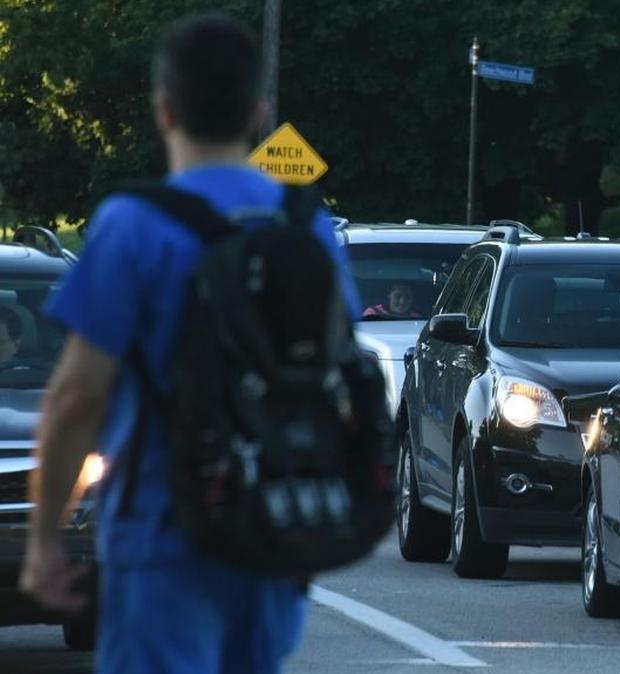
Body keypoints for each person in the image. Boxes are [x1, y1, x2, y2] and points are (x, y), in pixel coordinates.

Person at [19, 14, 358, 674]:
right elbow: (335, 361)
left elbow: (76, 396)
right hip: (272, 523)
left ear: (164, 108)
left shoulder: (133, 225)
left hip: (160, 527)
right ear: (259, 112)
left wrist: (43, 539)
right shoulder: (307, 226)